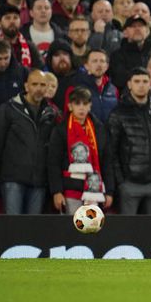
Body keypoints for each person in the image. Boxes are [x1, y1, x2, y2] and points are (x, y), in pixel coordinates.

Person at [0, 70, 61, 214]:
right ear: (26, 86)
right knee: (13, 227)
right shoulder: (9, 109)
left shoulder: (52, 114)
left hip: (39, 181)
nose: (39, 88)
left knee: (32, 230)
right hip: (13, 178)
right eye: (34, 84)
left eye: (42, 85)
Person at [108, 67, 151, 215]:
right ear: (129, 84)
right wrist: (121, 182)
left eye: (145, 81)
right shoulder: (117, 114)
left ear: (150, 84)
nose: (141, 85)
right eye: (137, 81)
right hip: (129, 184)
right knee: (127, 233)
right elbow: (112, 152)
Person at [47, 86, 113, 215]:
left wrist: (109, 191)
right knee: (71, 231)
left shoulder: (99, 129)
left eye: (85, 103)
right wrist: (57, 191)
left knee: (91, 231)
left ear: (90, 106)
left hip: (94, 190)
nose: (81, 108)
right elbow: (53, 163)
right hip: (70, 190)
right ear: (70, 106)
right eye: (77, 104)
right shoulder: (61, 130)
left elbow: (107, 161)